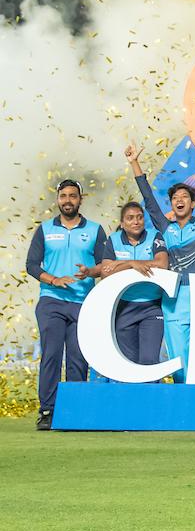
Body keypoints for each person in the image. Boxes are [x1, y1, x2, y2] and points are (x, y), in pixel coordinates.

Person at [129, 144, 195, 384]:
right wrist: (134, 163)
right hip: (172, 298)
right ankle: (183, 401)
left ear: (193, 204)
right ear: (171, 204)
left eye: (184, 197)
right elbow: (149, 200)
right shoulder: (166, 228)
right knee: (178, 355)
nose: (179, 200)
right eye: (174, 198)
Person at [26, 179, 108, 430]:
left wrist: (90, 271)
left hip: (83, 302)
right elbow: (32, 265)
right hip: (51, 301)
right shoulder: (45, 229)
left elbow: (104, 265)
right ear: (58, 199)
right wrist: (54, 279)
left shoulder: (95, 229)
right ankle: (48, 411)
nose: (68, 200)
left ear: (80, 199)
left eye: (73, 196)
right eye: (64, 196)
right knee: (51, 355)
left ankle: (74, 411)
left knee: (77, 358)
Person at [86, 201, 168, 378]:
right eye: (130, 218)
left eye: (139, 217)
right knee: (127, 363)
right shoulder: (114, 240)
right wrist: (132, 263)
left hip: (151, 308)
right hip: (124, 307)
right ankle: (130, 404)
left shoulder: (155, 236)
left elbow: (162, 264)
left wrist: (121, 264)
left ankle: (150, 403)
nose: (136, 222)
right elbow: (106, 273)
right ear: (122, 223)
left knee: (148, 361)